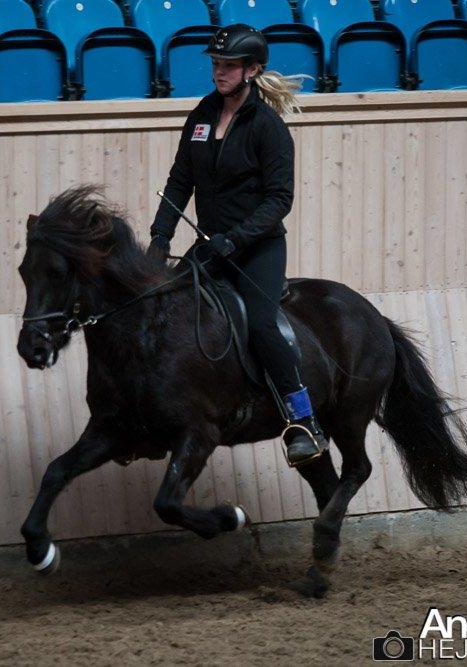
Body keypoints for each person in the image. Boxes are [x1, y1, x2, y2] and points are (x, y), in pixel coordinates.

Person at [147, 24, 327, 467]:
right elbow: (179, 180)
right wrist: (159, 237)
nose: (218, 72)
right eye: (215, 64)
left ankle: (302, 421)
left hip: (256, 250)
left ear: (252, 70)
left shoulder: (268, 128)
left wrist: (238, 238)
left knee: (263, 325)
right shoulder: (203, 114)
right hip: (211, 247)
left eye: (227, 66)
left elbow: (279, 200)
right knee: (163, 310)